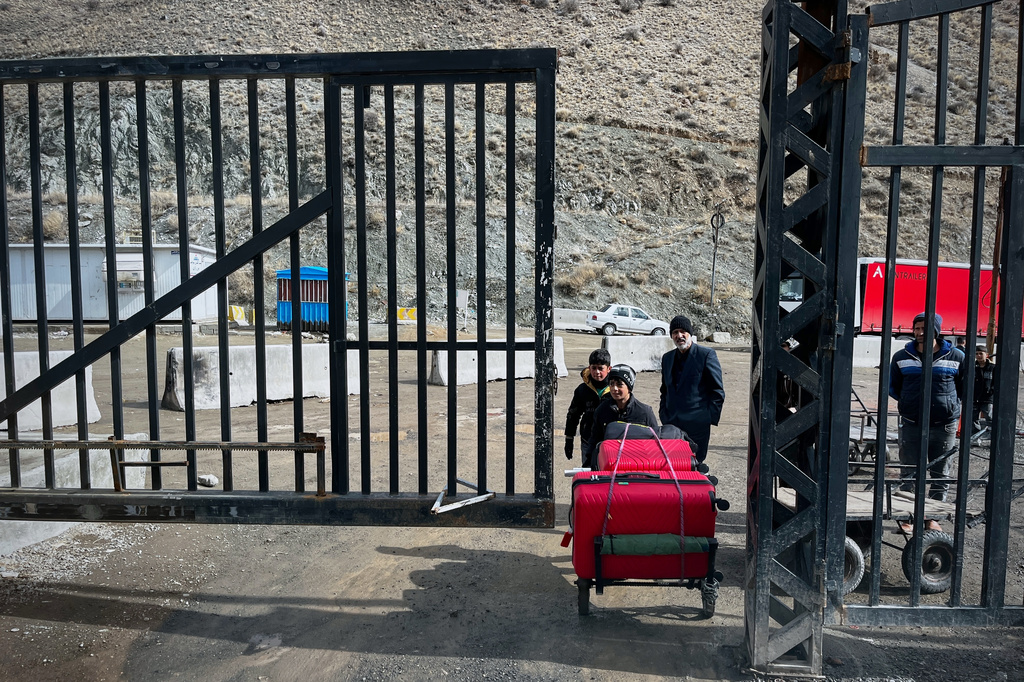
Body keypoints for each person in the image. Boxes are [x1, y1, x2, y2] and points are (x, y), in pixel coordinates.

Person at [889, 312, 966, 531]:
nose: (920, 333)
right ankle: (907, 516)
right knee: (909, 470)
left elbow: (962, 387)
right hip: (912, 423)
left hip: (944, 425)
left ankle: (932, 517)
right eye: (917, 328)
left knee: (941, 472)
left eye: (925, 328)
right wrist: (909, 402)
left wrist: (948, 404)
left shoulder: (956, 356)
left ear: (936, 331)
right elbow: (893, 387)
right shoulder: (901, 356)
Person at [658, 315, 725, 462]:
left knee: (694, 466)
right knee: (672, 465)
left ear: (690, 333)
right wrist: (664, 414)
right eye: (675, 332)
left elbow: (717, 391)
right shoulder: (667, 358)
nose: (679, 335)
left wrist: (706, 418)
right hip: (671, 424)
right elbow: (665, 390)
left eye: (683, 331)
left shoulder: (706, 355)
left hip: (697, 425)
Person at [588, 364, 659, 449]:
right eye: (611, 384)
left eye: (619, 384)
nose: (614, 388)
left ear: (629, 387)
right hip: (609, 459)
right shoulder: (602, 410)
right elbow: (594, 441)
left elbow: (656, 441)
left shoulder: (644, 412)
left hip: (637, 459)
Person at [564, 348, 612, 469]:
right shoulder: (582, 390)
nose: (597, 372)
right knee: (589, 474)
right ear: (589, 368)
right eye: (594, 368)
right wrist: (569, 439)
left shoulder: (615, 389)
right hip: (588, 440)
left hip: (610, 441)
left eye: (601, 368)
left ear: (609, 369)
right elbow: (573, 415)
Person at [972, 345, 996, 434]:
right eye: (976, 354)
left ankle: (992, 436)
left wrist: (991, 391)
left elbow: (996, 382)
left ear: (986, 354)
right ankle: (975, 438)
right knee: (973, 419)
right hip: (974, 398)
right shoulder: (973, 367)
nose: (978, 356)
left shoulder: (992, 367)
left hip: (987, 398)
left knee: (990, 418)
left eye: (981, 354)